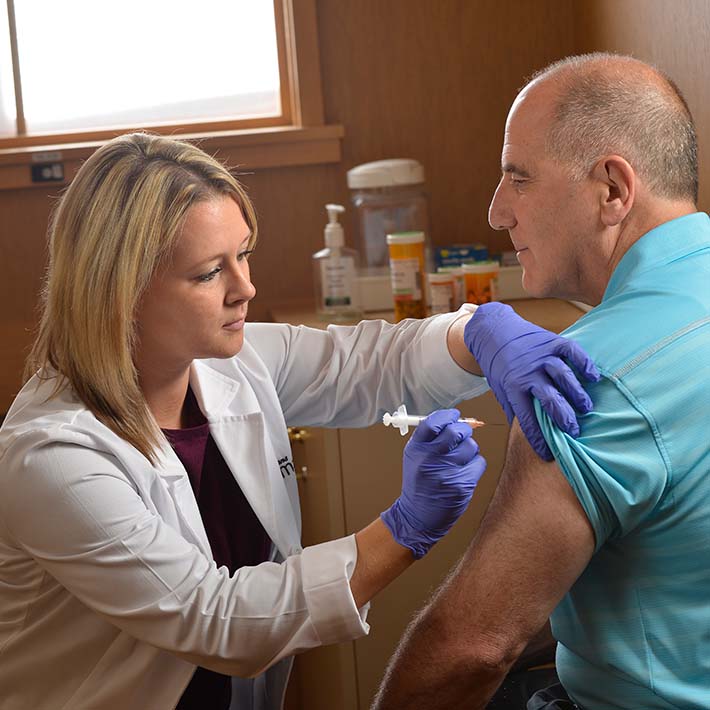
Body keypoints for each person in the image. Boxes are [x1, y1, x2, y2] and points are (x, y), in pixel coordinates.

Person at [0, 133, 597, 710]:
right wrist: (404, 528)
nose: (246, 288)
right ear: (117, 290)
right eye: (210, 272)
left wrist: (477, 333)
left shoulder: (235, 363)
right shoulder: (53, 456)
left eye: (244, 255)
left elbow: (369, 364)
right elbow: (218, 622)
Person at [373, 53, 709, 710]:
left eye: (518, 179)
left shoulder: (584, 377)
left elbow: (471, 648)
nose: (497, 212)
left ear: (613, 189)